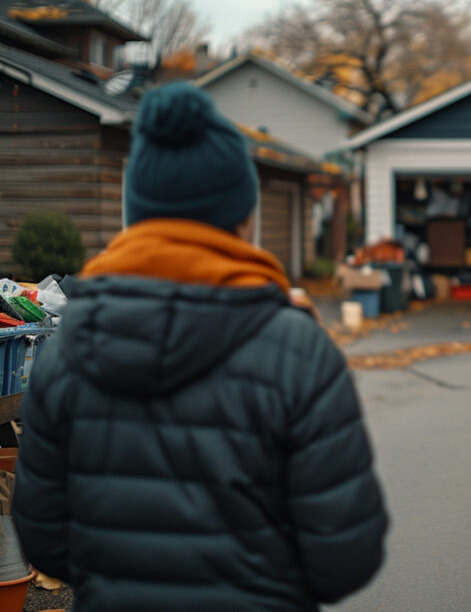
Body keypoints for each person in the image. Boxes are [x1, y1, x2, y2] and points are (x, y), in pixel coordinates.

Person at [12, 83, 388, 611]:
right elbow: (346, 558)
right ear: (243, 216)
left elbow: (45, 541)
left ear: (137, 213)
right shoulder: (298, 350)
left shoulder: (68, 347)